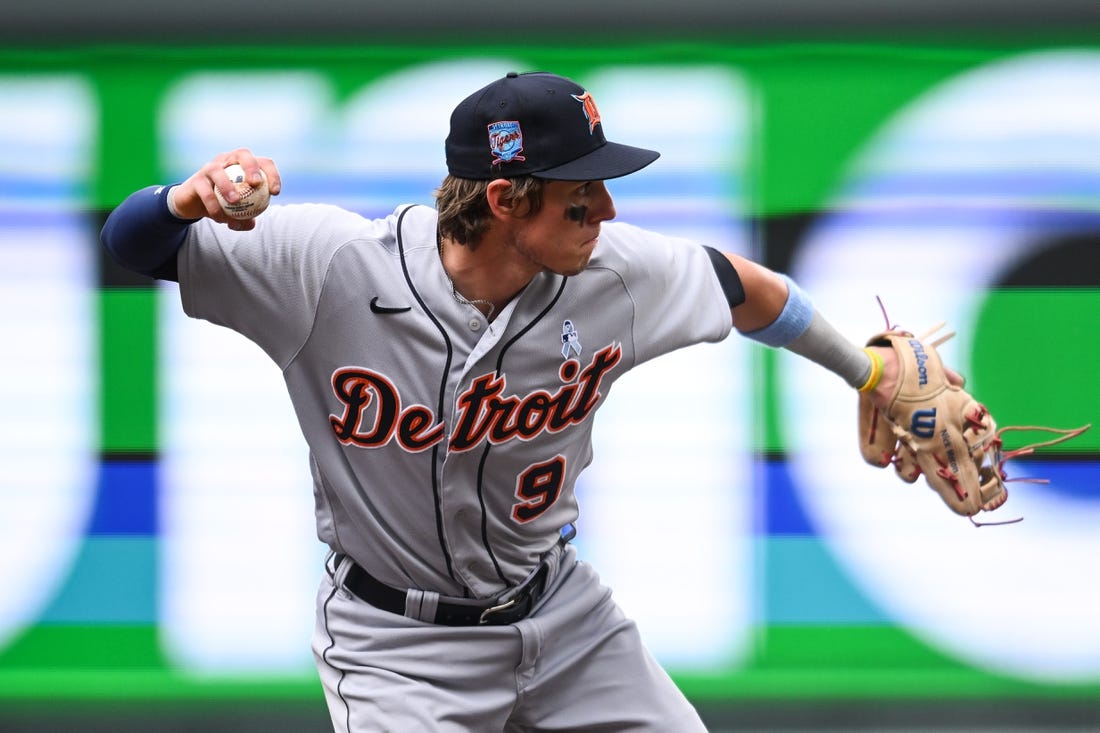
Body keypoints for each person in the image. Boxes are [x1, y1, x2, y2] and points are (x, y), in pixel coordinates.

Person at [101, 70, 901, 732]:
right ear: (507, 199)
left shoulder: (612, 271)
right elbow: (133, 242)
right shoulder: (329, 267)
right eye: (581, 193)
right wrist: (184, 198)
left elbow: (742, 288)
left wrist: (866, 374)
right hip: (397, 648)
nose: (608, 210)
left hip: (563, 621)